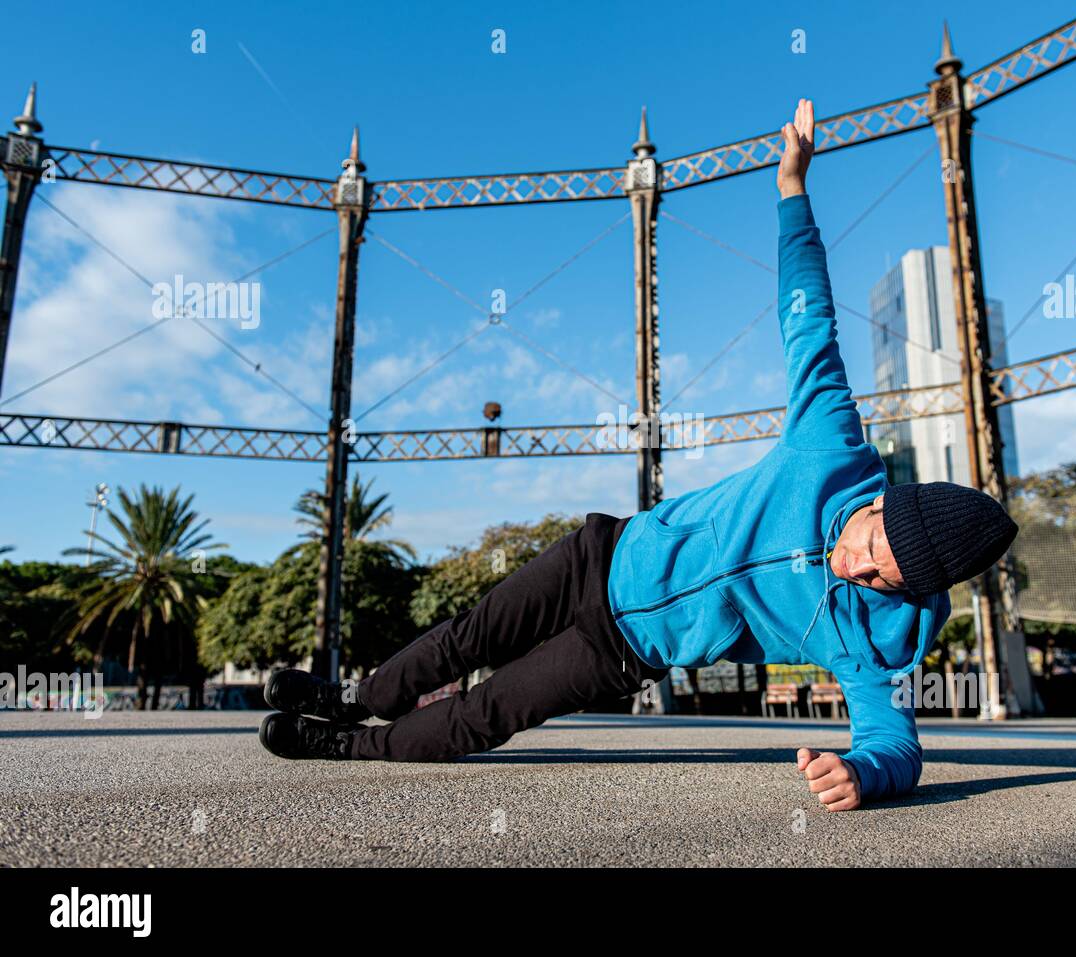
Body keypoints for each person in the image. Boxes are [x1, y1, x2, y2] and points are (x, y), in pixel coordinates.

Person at [259, 99, 1017, 811]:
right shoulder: (831, 449)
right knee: (468, 635)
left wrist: (865, 773)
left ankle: (348, 743)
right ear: (881, 500)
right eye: (871, 544)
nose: (859, 567)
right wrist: (792, 188)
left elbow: (897, 743)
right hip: (604, 555)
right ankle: (357, 696)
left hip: (621, 648)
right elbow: (809, 319)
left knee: (488, 711)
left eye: (884, 576)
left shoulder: (875, 635)